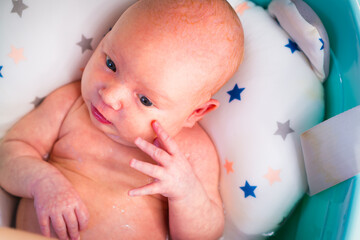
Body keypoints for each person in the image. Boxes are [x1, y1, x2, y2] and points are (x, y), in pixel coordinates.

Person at [0, 0, 244, 239]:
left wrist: (186, 192)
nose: (109, 96)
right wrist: (41, 181)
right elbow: (8, 155)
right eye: (110, 63)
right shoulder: (70, 105)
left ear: (195, 113)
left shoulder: (190, 155)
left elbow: (207, 234)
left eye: (145, 100)